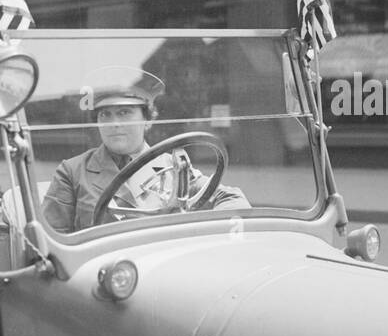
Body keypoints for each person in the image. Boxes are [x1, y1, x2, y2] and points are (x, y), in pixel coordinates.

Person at [41, 89, 249, 234]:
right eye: (105, 115)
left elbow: (229, 196)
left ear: (148, 120)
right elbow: (52, 239)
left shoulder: (174, 166)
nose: (114, 124)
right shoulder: (73, 171)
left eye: (124, 113)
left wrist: (218, 230)